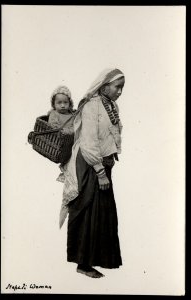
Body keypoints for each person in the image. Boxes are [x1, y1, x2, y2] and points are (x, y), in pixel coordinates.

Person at [59, 68, 125, 278]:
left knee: (102, 213)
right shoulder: (91, 106)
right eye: (117, 87)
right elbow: (88, 143)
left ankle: (93, 260)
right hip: (88, 165)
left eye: (122, 87)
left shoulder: (111, 105)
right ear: (104, 86)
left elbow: (109, 134)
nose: (120, 91)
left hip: (101, 164)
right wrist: (100, 171)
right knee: (87, 210)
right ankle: (83, 264)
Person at [48, 85, 76, 182]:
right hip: (59, 141)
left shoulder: (72, 115)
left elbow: (76, 125)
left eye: (65, 102)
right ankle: (64, 172)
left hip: (72, 140)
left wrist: (72, 130)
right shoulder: (54, 114)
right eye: (59, 103)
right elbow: (54, 127)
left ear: (70, 103)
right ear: (54, 104)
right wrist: (68, 130)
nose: (63, 105)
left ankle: (70, 172)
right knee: (67, 156)